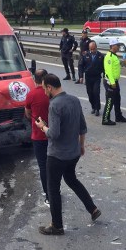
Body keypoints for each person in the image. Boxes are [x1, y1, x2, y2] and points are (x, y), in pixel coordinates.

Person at [35, 74, 101, 235]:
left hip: (57, 155)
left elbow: (54, 134)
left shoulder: (54, 105)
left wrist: (42, 126)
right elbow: (82, 127)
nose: (44, 92)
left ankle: (57, 226)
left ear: (50, 88)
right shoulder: (74, 100)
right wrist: (81, 146)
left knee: (53, 189)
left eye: (45, 89)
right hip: (73, 152)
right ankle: (92, 208)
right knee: (71, 179)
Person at [24, 69, 50, 206]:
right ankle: (54, 191)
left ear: (35, 79)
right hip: (53, 135)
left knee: (43, 167)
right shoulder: (51, 94)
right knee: (53, 166)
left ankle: (49, 195)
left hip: (38, 136)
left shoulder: (31, 94)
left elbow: (27, 113)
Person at [102, 38, 126, 125]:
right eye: (117, 45)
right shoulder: (109, 56)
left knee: (117, 99)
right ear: (113, 46)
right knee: (110, 100)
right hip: (110, 82)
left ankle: (118, 116)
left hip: (115, 82)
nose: (118, 47)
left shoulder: (114, 55)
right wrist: (112, 82)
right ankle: (105, 119)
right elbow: (109, 70)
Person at [78, 41, 104, 116]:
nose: (92, 51)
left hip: (97, 77)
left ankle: (97, 108)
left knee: (96, 93)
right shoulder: (85, 55)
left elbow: (104, 67)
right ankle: (93, 106)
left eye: (94, 49)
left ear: (96, 47)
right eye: (91, 49)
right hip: (88, 78)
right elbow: (80, 66)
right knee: (90, 94)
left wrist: (105, 76)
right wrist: (81, 76)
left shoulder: (100, 56)